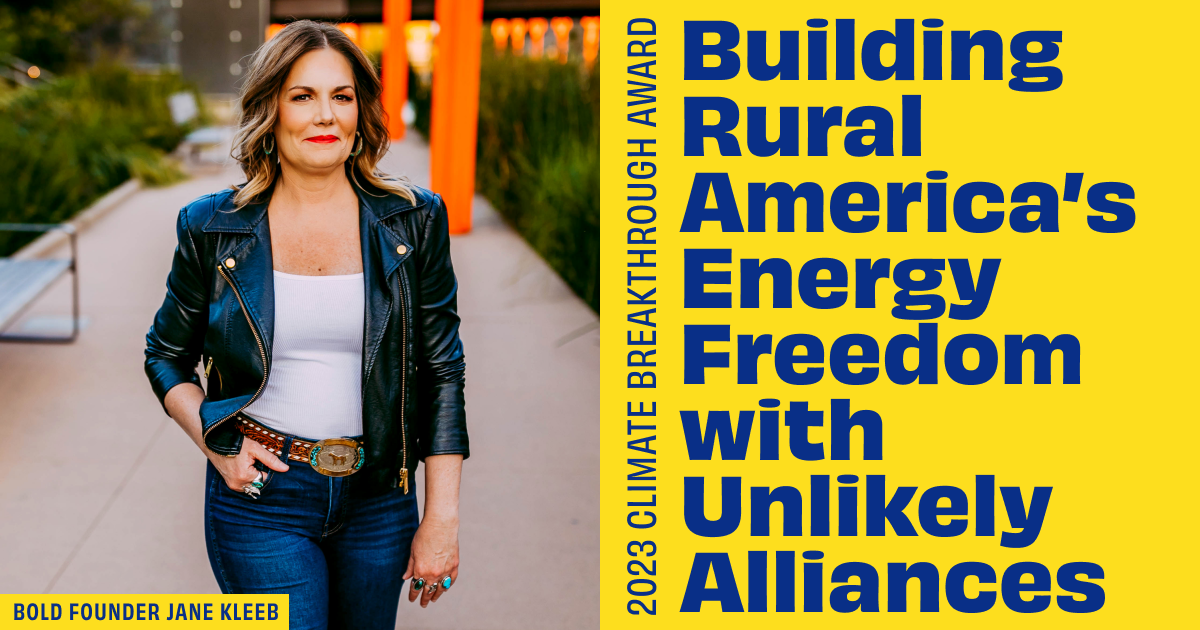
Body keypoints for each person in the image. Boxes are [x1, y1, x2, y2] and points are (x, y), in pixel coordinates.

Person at [143, 20, 468, 630]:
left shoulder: (414, 220)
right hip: (263, 498)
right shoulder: (212, 226)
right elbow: (165, 356)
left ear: (360, 111)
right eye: (303, 96)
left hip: (382, 495)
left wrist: (441, 516)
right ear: (271, 109)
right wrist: (218, 444)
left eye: (341, 96)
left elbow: (442, 370)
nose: (326, 116)